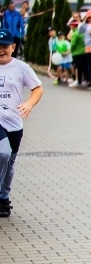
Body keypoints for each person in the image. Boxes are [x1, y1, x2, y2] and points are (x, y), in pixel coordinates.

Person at [0, 28, 43, 218]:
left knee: (10, 162)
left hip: (14, 122)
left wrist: (29, 104)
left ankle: (4, 197)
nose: (1, 50)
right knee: (3, 152)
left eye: (4, 46)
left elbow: (38, 88)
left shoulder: (21, 67)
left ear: (13, 47)